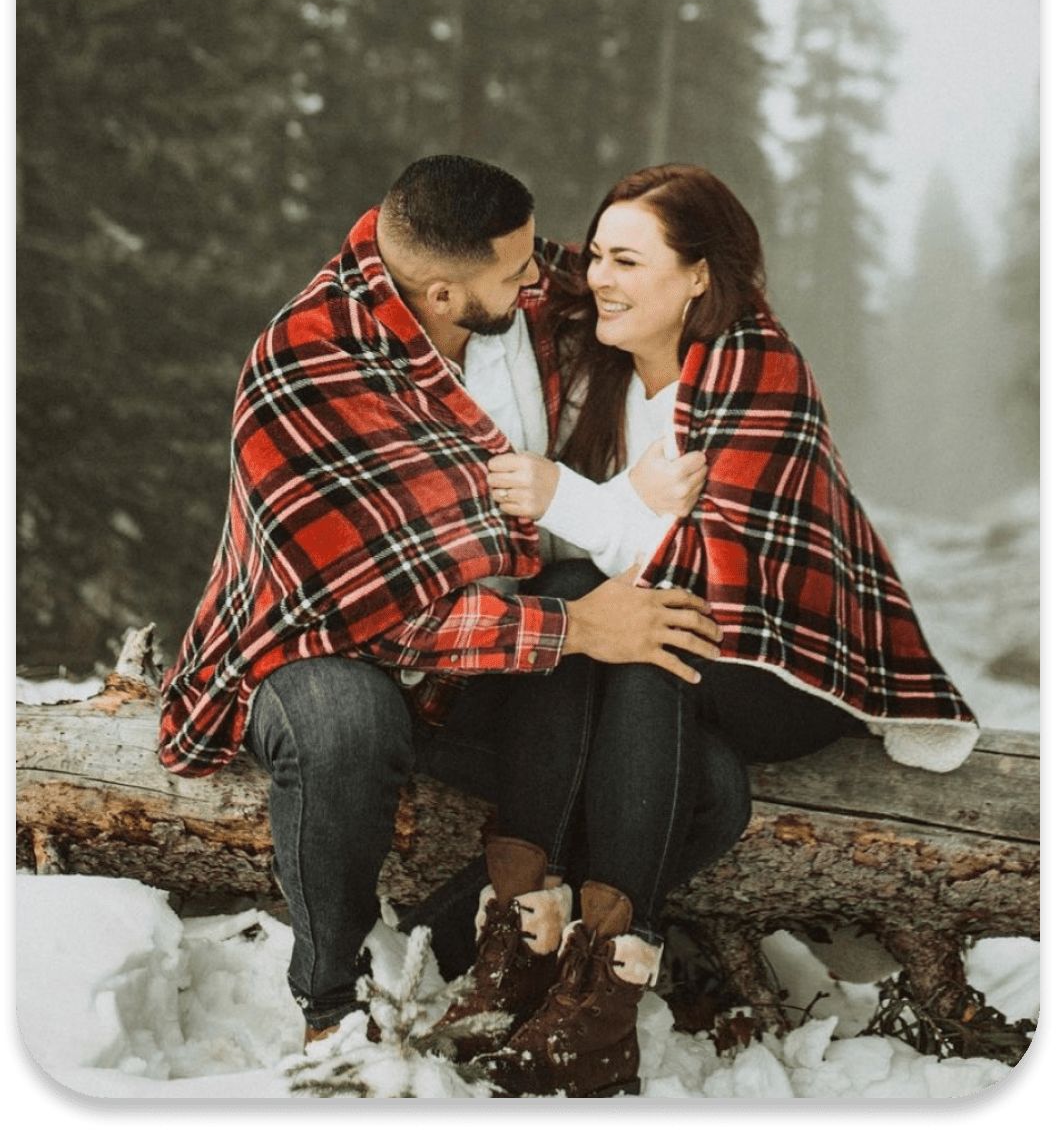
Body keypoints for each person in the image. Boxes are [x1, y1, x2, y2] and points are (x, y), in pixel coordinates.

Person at [425, 163, 978, 1100]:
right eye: (598, 255)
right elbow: (576, 553)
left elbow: (709, 580)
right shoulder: (596, 371)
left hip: (783, 668)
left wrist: (582, 501)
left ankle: (603, 998)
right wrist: (622, 506)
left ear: (698, 278)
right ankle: (520, 935)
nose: (600, 277)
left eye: (630, 260)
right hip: (677, 658)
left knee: (654, 633)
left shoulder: (756, 369)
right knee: (595, 618)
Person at [157, 156, 724, 1046]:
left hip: (482, 662)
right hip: (322, 648)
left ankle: (471, 931)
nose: (545, 278)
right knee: (343, 718)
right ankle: (332, 1003)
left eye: (537, 254)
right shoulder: (306, 370)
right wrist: (577, 628)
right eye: (518, 271)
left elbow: (656, 288)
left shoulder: (513, 296)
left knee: (712, 795)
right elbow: (375, 621)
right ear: (444, 295)